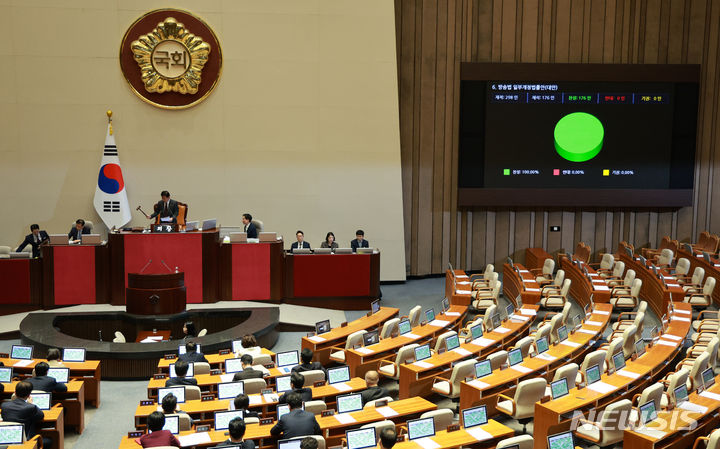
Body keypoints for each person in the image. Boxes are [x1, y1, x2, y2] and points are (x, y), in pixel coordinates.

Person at [1, 381, 47, 446]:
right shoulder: (31, 407)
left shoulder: (4, 405)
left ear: (15, 393)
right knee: (48, 440)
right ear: (29, 395)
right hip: (25, 441)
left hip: (6, 438)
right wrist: (31, 404)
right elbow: (41, 416)